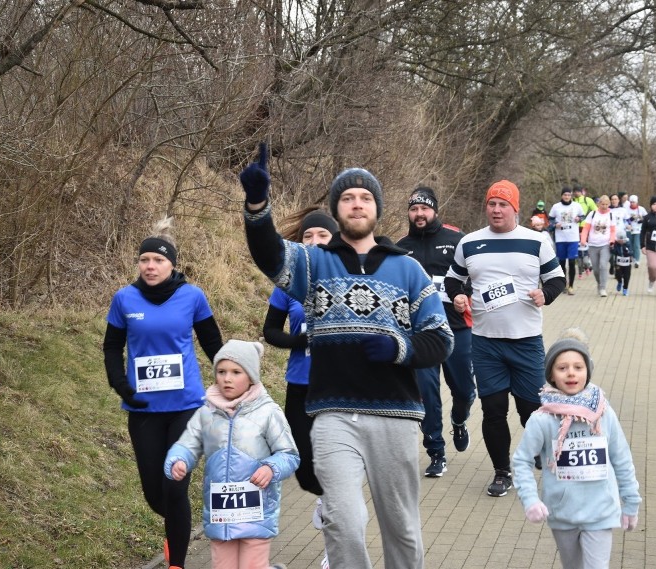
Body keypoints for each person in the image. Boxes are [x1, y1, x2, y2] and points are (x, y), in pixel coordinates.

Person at [239, 143, 454, 569]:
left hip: (394, 414)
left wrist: (401, 347)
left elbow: (441, 337)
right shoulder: (315, 263)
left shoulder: (406, 268)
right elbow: (269, 255)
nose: (357, 203)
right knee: (344, 520)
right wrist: (257, 204)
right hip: (333, 413)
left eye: (365, 197)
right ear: (338, 210)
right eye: (348, 197)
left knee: (402, 527)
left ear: (377, 209)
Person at [102, 217, 224, 569]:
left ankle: (177, 564)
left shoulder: (193, 296)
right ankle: (176, 530)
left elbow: (213, 344)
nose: (150, 266)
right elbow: (111, 347)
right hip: (142, 409)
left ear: (172, 264)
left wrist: (235, 379)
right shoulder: (125, 299)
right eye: (144, 260)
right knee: (156, 497)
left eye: (158, 260)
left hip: (185, 406)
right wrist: (120, 383)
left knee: (175, 485)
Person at [444, 179, 566, 498]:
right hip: (485, 343)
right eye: (492, 204)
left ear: (515, 208)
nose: (496, 210)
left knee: (530, 411)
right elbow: (453, 280)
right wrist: (458, 297)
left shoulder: (536, 241)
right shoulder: (469, 243)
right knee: (494, 409)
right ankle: (502, 472)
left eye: (503, 204)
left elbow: (556, 278)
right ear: (486, 207)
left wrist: (545, 294)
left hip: (526, 341)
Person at [512, 328, 641, 569]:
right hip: (563, 513)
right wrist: (530, 500)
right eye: (562, 368)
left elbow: (621, 458)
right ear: (551, 374)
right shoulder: (542, 419)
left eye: (578, 367)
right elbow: (521, 461)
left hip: (601, 510)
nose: (571, 373)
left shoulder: (603, 413)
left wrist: (631, 502)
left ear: (587, 372)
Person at [164, 339, 299, 569]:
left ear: (251, 376)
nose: (227, 378)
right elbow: (187, 444)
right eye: (221, 371)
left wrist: (270, 468)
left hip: (256, 511)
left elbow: (289, 454)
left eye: (236, 372)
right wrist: (178, 460)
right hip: (221, 515)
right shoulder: (206, 413)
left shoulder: (268, 412)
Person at [261, 208, 336, 567]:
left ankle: (335, 549)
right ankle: (324, 498)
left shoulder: (350, 276)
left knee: (338, 466)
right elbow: (270, 331)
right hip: (301, 383)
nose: (315, 242)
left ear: (334, 240)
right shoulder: (288, 282)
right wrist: (299, 339)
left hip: (342, 388)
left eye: (323, 236)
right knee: (304, 468)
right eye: (308, 236)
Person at [396, 186, 476, 477]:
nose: (419, 214)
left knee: (465, 392)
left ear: (435, 211)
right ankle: (436, 451)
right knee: (426, 393)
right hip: (422, 334)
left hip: (456, 328)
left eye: (424, 209)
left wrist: (464, 293)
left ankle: (459, 420)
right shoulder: (400, 248)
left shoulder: (457, 241)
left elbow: (475, 276)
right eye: (414, 209)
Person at [548, 187, 585, 295]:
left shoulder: (576, 206)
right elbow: (550, 219)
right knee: (562, 262)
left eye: (569, 195)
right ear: (562, 196)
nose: (567, 197)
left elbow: (583, 216)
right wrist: (555, 224)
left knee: (572, 262)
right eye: (565, 195)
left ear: (571, 196)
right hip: (561, 237)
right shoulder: (556, 207)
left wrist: (579, 219)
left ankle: (571, 286)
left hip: (573, 237)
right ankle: (563, 285)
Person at [580, 195, 617, 297]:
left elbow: (613, 230)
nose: (604, 206)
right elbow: (586, 228)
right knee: (596, 269)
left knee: (603, 265)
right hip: (593, 244)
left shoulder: (611, 215)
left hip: (606, 244)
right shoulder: (593, 214)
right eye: (602, 204)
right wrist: (583, 239)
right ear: (598, 204)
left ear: (609, 204)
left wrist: (612, 240)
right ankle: (599, 283)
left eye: (606, 204)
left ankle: (603, 288)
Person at [624, 195, 647, 267]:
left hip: (638, 230)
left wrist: (641, 220)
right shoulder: (626, 209)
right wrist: (631, 219)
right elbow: (624, 220)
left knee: (636, 245)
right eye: (631, 202)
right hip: (628, 229)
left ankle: (637, 260)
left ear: (636, 202)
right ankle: (631, 258)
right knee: (629, 245)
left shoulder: (641, 209)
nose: (632, 204)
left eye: (633, 202)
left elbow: (646, 218)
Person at [612, 230, 633, 296]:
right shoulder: (615, 244)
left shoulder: (628, 243)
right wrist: (612, 248)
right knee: (618, 275)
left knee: (626, 277)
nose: (621, 241)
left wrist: (627, 251)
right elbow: (614, 252)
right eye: (619, 240)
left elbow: (631, 252)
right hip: (618, 262)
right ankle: (619, 282)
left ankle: (625, 289)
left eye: (622, 240)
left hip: (627, 263)